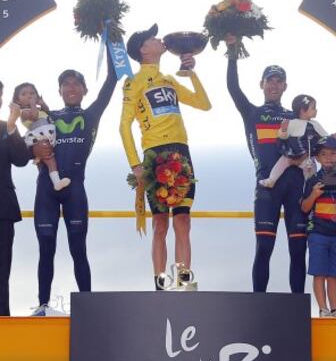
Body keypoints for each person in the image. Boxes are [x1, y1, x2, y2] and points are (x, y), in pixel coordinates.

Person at [120, 23, 211, 290]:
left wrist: (190, 73)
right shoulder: (132, 82)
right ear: (143, 49)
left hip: (181, 151)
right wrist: (135, 165)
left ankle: (184, 281)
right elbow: (124, 125)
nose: (160, 40)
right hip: (154, 154)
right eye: (153, 38)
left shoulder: (170, 80)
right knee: (160, 223)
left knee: (183, 221)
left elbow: (204, 104)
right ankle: (160, 283)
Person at [31, 50, 117, 315]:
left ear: (84, 90)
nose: (71, 87)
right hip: (46, 188)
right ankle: (43, 306)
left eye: (76, 83)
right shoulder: (48, 117)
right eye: (66, 84)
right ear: (58, 90)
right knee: (46, 247)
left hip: (75, 189)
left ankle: (87, 307)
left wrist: (110, 36)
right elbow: (26, 144)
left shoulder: (91, 115)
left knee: (78, 248)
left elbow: (111, 81)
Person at [226, 36, 307, 293]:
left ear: (285, 86)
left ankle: (297, 306)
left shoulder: (295, 115)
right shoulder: (252, 113)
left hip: (295, 186)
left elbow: (311, 145)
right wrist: (231, 51)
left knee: (298, 249)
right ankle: (258, 303)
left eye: (278, 81)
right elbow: (233, 88)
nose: (274, 84)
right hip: (267, 188)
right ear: (261, 84)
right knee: (264, 248)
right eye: (269, 80)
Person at [301, 136, 336, 317]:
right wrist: (314, 194)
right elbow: (304, 207)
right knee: (319, 272)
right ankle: (323, 309)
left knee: (333, 274)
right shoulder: (312, 180)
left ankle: (335, 308)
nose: (328, 158)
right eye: (324, 154)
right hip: (318, 232)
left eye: (333, 154)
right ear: (317, 158)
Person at [0, 81, 29, 316]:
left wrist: (12, 126)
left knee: (1, 273)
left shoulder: (6, 127)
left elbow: (21, 159)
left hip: (3, 210)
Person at [259, 94, 329, 188]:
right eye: (313, 108)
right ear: (303, 111)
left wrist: (332, 137)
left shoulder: (315, 124)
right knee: (281, 162)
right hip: (291, 154)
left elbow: (324, 137)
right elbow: (282, 137)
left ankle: (311, 189)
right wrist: (283, 129)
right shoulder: (292, 123)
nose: (316, 110)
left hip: (307, 156)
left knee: (311, 174)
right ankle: (271, 180)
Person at [12, 82, 70, 191]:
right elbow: (34, 117)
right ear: (17, 101)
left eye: (32, 93)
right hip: (38, 136)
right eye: (24, 94)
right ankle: (45, 182)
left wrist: (42, 103)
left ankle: (57, 182)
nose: (29, 96)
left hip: (47, 136)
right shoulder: (23, 112)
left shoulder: (39, 110)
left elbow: (47, 111)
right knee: (46, 159)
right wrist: (33, 103)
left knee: (50, 160)